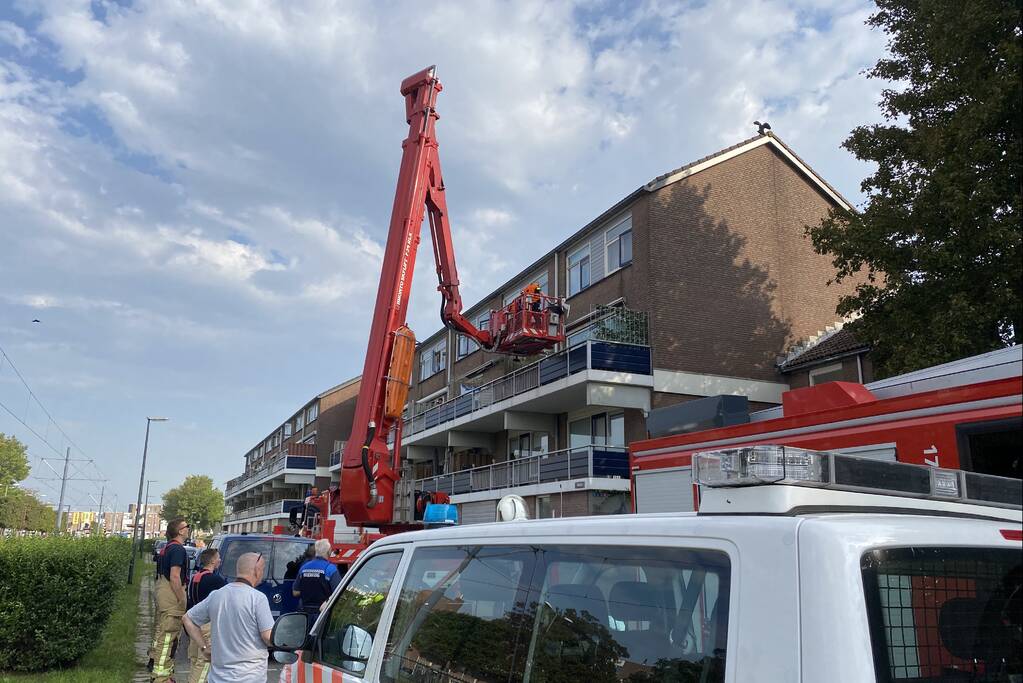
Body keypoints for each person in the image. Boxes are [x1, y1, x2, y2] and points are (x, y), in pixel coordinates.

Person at [182, 552, 275, 683]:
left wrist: (204, 648)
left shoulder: (216, 595)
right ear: (257, 570)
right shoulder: (258, 598)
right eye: (263, 569)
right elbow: (268, 637)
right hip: (250, 677)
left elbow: (187, 619)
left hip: (218, 678)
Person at [149, 518, 190, 683]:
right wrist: (182, 599)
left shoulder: (168, 547)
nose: (189, 529)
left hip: (162, 594)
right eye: (187, 526)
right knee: (169, 638)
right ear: (180, 531)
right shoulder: (178, 549)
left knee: (162, 634)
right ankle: (161, 677)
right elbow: (175, 576)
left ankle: (160, 672)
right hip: (172, 598)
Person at [186, 548, 227, 683]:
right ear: (213, 561)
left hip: (194, 624)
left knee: (194, 660)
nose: (220, 560)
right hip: (207, 625)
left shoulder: (195, 577)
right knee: (204, 663)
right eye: (218, 557)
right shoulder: (215, 580)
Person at [292, 538, 342, 620]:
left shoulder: (304, 568)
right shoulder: (330, 569)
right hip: (322, 614)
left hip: (304, 614)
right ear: (329, 552)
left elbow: (295, 592)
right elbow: (339, 593)